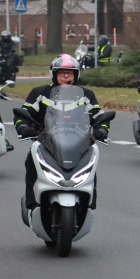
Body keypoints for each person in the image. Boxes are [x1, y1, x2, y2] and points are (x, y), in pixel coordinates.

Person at [14, 54, 108, 214]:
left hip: (79, 142)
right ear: (54, 75)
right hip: (46, 141)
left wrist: (102, 129)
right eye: (62, 73)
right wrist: (23, 127)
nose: (66, 76)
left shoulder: (86, 95)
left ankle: (89, 202)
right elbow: (23, 113)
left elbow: (99, 116)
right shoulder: (40, 93)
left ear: (76, 75)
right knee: (31, 161)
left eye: (70, 73)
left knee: (91, 163)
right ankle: (31, 202)